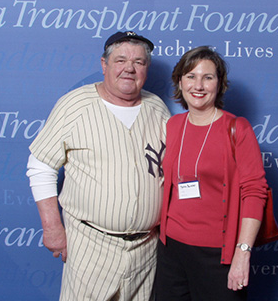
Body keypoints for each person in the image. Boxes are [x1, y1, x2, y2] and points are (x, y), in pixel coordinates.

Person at [26, 31, 170, 301]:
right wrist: (52, 227)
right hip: (91, 244)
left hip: (146, 249)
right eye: (121, 60)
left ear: (146, 69)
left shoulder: (157, 108)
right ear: (104, 64)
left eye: (139, 62)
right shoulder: (74, 105)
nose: (129, 68)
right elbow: (40, 165)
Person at [155, 46, 269, 300]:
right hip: (171, 250)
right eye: (191, 76)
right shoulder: (173, 125)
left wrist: (242, 252)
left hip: (218, 254)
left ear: (219, 84)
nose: (199, 85)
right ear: (180, 81)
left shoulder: (237, 128)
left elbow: (254, 192)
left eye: (208, 77)